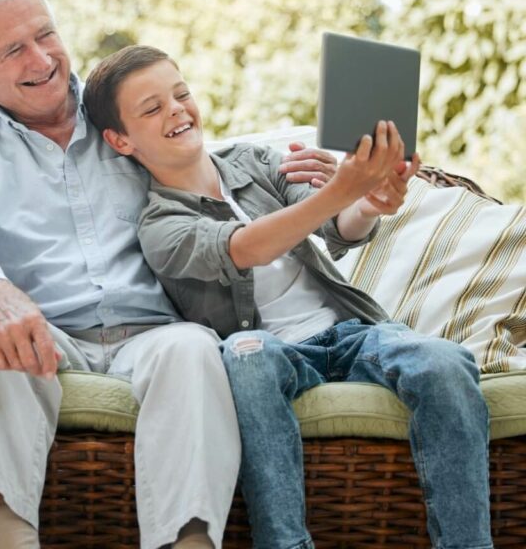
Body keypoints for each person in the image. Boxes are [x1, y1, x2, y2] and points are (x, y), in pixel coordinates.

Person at [0, 0, 338, 549]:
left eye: (46, 34)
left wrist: (294, 173)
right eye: (13, 49)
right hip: (44, 335)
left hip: (153, 334)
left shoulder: (119, 111)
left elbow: (200, 160)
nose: (41, 60)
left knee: (193, 348)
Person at [83, 44, 492, 549]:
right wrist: (342, 189)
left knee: (445, 362)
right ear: (120, 139)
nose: (176, 109)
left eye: (181, 93)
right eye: (152, 108)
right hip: (265, 349)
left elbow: (335, 225)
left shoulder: (253, 162)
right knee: (245, 356)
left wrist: (368, 202)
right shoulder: (158, 224)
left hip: (350, 333)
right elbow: (246, 247)